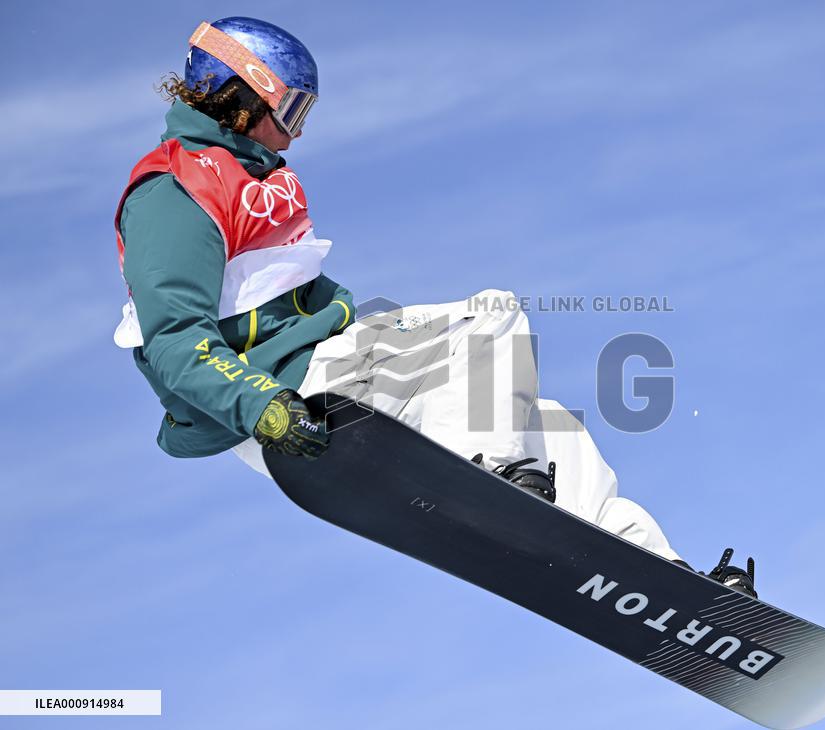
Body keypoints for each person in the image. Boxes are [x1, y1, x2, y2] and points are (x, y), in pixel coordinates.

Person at [115, 17, 756, 598]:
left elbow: (290, 293)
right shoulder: (175, 188)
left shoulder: (257, 179)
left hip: (326, 371)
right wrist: (263, 407)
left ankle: (658, 570)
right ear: (243, 89)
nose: (295, 130)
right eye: (291, 108)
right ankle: (500, 478)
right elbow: (173, 338)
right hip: (283, 394)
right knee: (490, 315)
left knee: (547, 421)